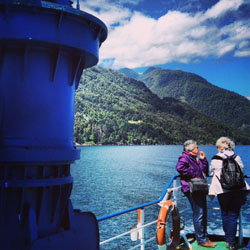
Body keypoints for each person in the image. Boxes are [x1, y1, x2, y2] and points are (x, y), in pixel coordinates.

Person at [209, 137, 250, 250]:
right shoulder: (237, 157)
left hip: (223, 191)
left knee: (225, 214)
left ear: (220, 147)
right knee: (233, 215)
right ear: (231, 147)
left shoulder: (215, 158)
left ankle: (228, 238)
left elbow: (211, 172)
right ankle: (231, 242)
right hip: (237, 190)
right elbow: (242, 172)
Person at [176, 140, 216, 248]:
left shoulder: (194, 158)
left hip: (199, 188)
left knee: (202, 213)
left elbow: (204, 172)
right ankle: (202, 239)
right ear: (191, 149)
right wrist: (196, 174)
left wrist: (203, 161)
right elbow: (180, 168)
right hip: (192, 188)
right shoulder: (184, 157)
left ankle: (204, 237)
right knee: (199, 213)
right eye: (197, 147)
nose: (198, 149)